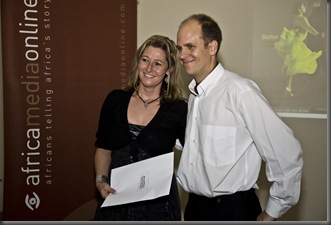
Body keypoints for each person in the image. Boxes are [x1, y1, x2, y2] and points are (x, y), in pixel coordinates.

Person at [175, 13, 303, 221]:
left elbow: (286, 151)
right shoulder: (194, 97)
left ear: (212, 47)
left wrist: (273, 210)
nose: (182, 54)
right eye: (179, 48)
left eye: (190, 46)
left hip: (232, 211)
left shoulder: (240, 92)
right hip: (195, 209)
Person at [93, 35, 187, 221]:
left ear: (169, 69)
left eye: (158, 63)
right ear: (138, 63)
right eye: (145, 60)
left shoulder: (178, 109)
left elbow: (194, 155)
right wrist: (101, 181)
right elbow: (103, 148)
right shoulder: (115, 100)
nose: (149, 68)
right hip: (116, 202)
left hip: (159, 208)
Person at [273, 1, 325, 96]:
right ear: (300, 9)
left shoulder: (297, 18)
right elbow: (309, 28)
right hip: (296, 44)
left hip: (296, 43)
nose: (305, 7)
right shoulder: (302, 18)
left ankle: (288, 88)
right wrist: (318, 34)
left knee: (292, 67)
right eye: (303, 6)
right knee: (299, 64)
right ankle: (290, 88)